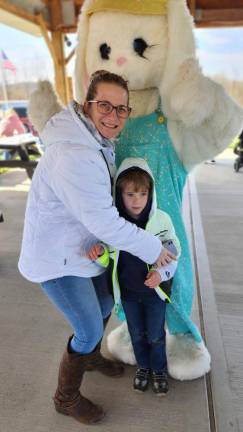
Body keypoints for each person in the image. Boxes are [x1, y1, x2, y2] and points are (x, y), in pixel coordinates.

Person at [18, 70, 176, 425]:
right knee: (89, 328)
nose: (113, 115)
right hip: (58, 258)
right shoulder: (75, 152)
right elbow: (104, 221)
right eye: (104, 105)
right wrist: (153, 248)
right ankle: (66, 397)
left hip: (85, 247)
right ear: (86, 105)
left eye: (122, 109)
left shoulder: (94, 140)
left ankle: (88, 356)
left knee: (105, 302)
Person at [87, 158, 181, 396]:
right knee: (137, 333)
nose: (136, 200)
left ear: (150, 193)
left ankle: (159, 369)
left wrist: (160, 274)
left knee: (156, 335)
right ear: (119, 194)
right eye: (130, 194)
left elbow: (173, 255)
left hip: (154, 295)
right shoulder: (114, 225)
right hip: (128, 294)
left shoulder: (162, 220)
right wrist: (99, 255)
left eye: (142, 194)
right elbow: (110, 258)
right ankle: (144, 367)